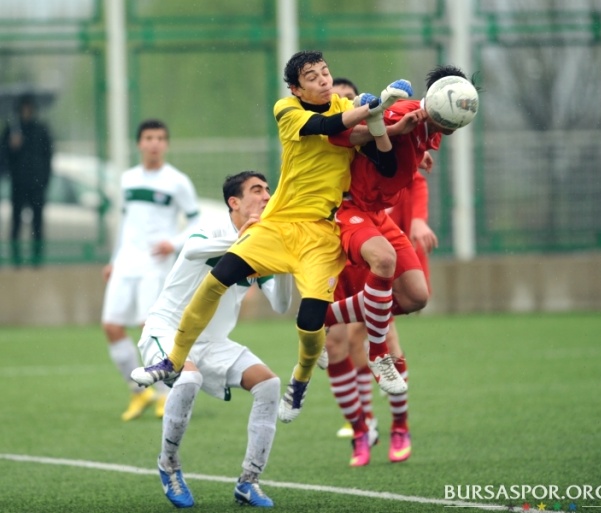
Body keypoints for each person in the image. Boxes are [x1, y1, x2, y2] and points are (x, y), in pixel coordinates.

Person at [130, 50, 413, 422]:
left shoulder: (347, 107)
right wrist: (376, 108)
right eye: (312, 77)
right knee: (218, 278)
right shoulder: (287, 109)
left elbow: (386, 163)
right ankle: (173, 360)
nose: (323, 80)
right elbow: (327, 126)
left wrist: (383, 124)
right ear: (296, 89)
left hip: (320, 235)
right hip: (278, 224)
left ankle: (300, 381)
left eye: (325, 72)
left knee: (310, 323)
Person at [323, 65, 478, 466]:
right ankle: (362, 431)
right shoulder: (376, 119)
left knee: (416, 298)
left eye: (350, 98)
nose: (346, 105)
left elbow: (403, 168)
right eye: (339, 101)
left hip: (376, 220)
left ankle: (324, 318)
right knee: (341, 342)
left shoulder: (431, 125)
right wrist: (393, 131)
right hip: (344, 218)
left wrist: (414, 161)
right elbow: (349, 135)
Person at [137, 170, 291, 508]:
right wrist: (245, 242)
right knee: (188, 378)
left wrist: (287, 263)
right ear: (234, 202)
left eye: (268, 190)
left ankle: (249, 481)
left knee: (269, 384)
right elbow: (193, 251)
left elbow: (281, 305)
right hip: (168, 330)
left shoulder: (263, 247)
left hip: (214, 343)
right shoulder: (212, 229)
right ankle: (168, 465)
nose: (267, 196)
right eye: (256, 190)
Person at [102, 119, 200, 422]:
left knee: (149, 328)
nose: (154, 143)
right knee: (111, 326)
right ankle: (138, 391)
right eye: (148, 138)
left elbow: (196, 221)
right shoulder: (128, 179)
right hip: (125, 263)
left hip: (155, 265)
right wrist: (114, 259)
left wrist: (174, 243)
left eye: (159, 138)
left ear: (166, 144)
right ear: (139, 144)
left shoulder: (177, 181)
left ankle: (164, 393)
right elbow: (125, 223)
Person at [0, 93, 53, 267]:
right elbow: (3, 157)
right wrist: (11, 147)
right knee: (16, 222)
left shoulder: (41, 130)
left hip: (37, 184)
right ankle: (16, 260)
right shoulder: (12, 130)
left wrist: (44, 179)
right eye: (24, 108)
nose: (26, 111)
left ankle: (37, 260)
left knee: (37, 223)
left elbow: (48, 156)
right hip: (18, 183)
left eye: (29, 108)